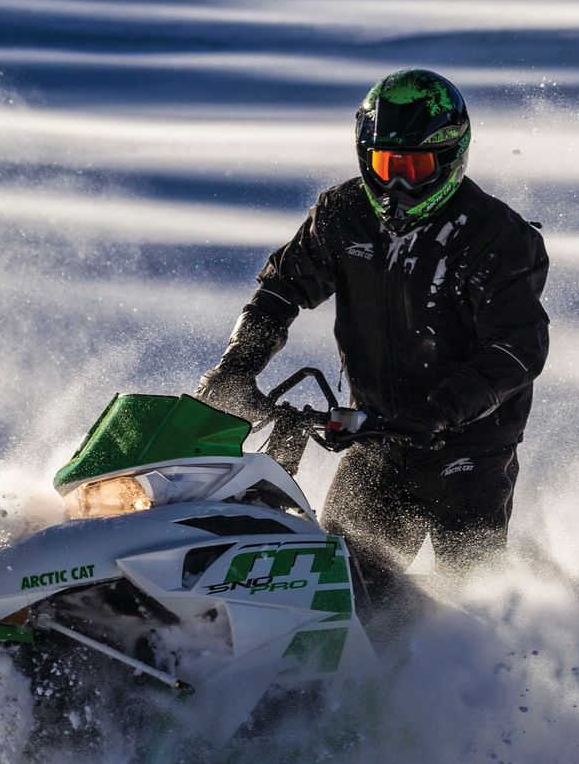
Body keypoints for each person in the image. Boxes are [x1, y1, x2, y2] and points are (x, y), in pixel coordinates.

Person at [196, 68, 549, 595]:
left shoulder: (497, 238)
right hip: (376, 439)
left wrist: (438, 412)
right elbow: (280, 289)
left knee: (474, 599)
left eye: (416, 166)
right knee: (332, 586)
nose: (399, 184)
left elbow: (518, 348)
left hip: (470, 452)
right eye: (387, 164)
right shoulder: (342, 215)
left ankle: (500, 666)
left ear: (451, 157)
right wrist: (237, 369)